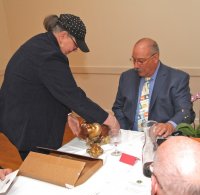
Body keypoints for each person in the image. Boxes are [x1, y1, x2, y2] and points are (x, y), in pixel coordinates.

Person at [0, 13, 119, 160]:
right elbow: (73, 95)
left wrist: (68, 113)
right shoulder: (49, 56)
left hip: (18, 116)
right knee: (39, 168)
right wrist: (109, 120)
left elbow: (54, 88)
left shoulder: (41, 43)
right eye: (76, 44)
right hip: (27, 124)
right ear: (63, 36)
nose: (75, 50)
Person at [112, 38, 195, 137]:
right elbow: (118, 107)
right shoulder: (126, 77)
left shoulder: (177, 79)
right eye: (133, 60)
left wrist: (170, 125)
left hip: (161, 139)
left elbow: (185, 111)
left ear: (155, 58)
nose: (135, 65)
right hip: (130, 138)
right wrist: (126, 131)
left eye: (141, 61)